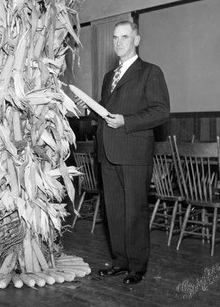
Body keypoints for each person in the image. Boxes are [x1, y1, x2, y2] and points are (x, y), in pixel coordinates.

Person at [96, 21, 170, 285]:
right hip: (108, 152)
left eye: (124, 37)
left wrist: (126, 121)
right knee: (114, 210)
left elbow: (161, 111)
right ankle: (120, 262)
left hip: (134, 151)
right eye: (115, 38)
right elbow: (108, 113)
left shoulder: (150, 72)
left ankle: (137, 266)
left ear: (136, 40)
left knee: (135, 211)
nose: (118, 42)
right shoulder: (109, 77)